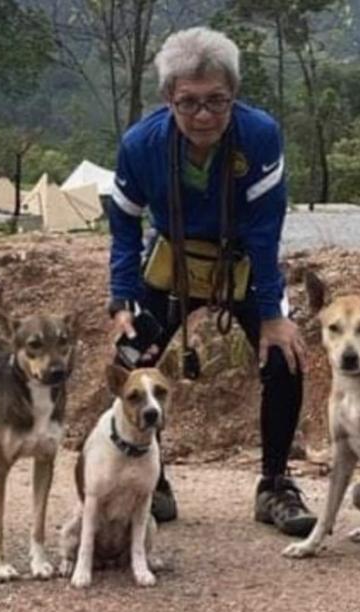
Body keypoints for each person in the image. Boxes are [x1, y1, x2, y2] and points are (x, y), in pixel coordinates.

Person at [106, 26, 315, 537]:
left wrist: (272, 315)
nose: (203, 116)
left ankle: (276, 484)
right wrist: (123, 300)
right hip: (173, 261)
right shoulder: (140, 145)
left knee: (285, 357)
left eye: (217, 102)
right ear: (167, 99)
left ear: (234, 95)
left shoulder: (260, 134)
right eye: (189, 103)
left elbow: (267, 230)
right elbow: (124, 226)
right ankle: (148, 480)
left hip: (243, 260)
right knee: (132, 360)